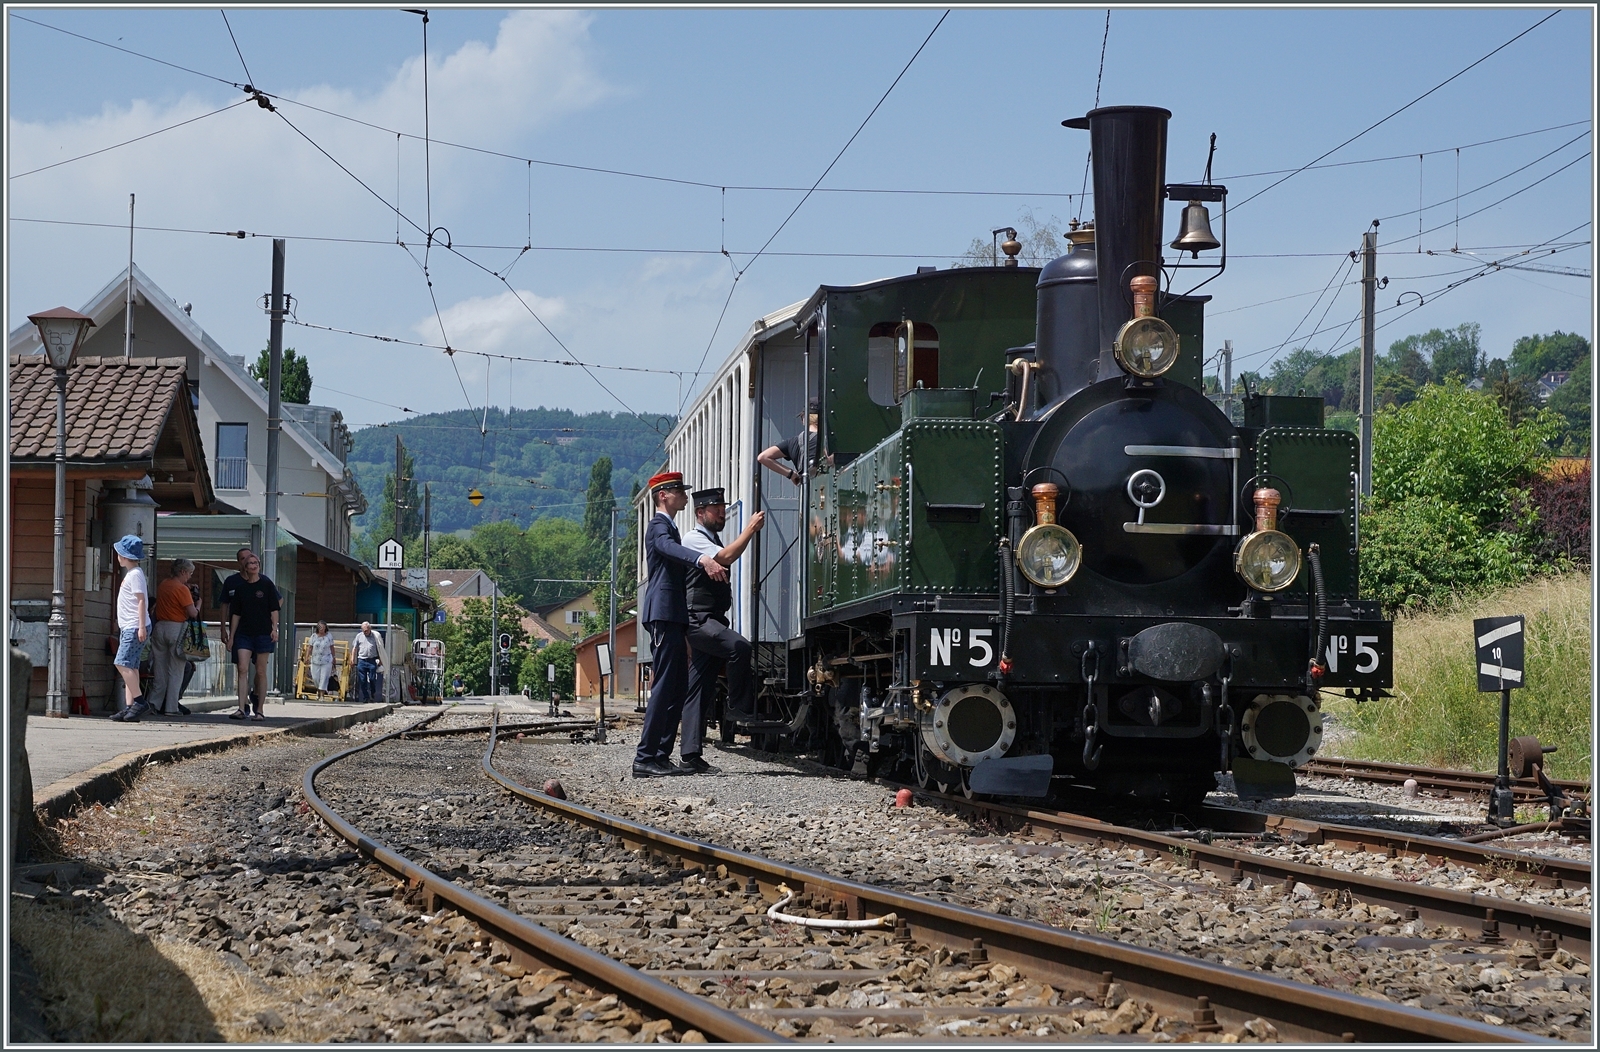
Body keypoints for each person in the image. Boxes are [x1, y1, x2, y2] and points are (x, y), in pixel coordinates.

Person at [633, 470, 728, 779]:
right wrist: (702, 559)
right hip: (662, 613)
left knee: (676, 687)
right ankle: (645, 757)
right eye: (679, 491)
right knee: (664, 687)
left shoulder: (670, 527)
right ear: (664, 495)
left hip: (673, 615)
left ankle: (660, 756)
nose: (685, 495)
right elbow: (667, 549)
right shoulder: (659, 527)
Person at [680, 488, 765, 773]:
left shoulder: (709, 538)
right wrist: (750, 529)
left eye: (722, 507)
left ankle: (690, 754)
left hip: (712, 619)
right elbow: (727, 557)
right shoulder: (694, 538)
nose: (720, 512)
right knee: (739, 647)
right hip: (699, 620)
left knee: (698, 689)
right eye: (715, 508)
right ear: (700, 513)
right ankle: (738, 705)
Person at [226, 551, 280, 721]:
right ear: (245, 567)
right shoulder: (240, 589)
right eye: (250, 563)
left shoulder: (266, 584)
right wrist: (231, 636)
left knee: (261, 670)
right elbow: (235, 614)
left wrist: (274, 628)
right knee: (242, 668)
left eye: (256, 562)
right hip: (244, 633)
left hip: (263, 633)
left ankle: (260, 710)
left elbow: (274, 608)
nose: (254, 565)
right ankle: (241, 708)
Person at [108, 535, 151, 722]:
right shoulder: (134, 574)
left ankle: (140, 702)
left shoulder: (135, 575)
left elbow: (141, 601)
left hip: (134, 626)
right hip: (130, 625)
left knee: (121, 663)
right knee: (131, 665)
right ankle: (130, 707)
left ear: (123, 556)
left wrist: (141, 626)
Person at [148, 558, 199, 716]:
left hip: (160, 628)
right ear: (183, 572)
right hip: (176, 629)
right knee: (176, 671)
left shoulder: (164, 584)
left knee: (160, 670)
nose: (189, 577)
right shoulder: (182, 589)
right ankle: (171, 708)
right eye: (189, 573)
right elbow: (192, 613)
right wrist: (199, 604)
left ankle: (153, 704)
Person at [217, 547, 258, 709]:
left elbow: (277, 601)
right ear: (239, 562)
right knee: (242, 667)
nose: (247, 561)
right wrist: (223, 629)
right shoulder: (232, 582)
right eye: (243, 559)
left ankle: (255, 693)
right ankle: (244, 703)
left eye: (250, 558)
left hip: (259, 630)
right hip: (239, 632)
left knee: (259, 669)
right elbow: (224, 605)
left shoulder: (262, 581)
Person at [757, 397, 820, 485]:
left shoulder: (794, 441)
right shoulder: (831, 442)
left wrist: (791, 474)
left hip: (807, 493)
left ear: (804, 418)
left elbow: (763, 457)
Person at [349, 622, 386, 702]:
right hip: (361, 660)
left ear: (370, 629)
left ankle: (373, 692)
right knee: (362, 680)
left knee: (372, 678)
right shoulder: (359, 636)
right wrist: (352, 659)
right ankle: (366, 697)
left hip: (371, 660)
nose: (365, 632)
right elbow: (354, 648)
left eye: (366, 630)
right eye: (363, 630)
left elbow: (379, 648)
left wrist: (380, 659)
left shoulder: (375, 636)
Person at [308, 621, 336, 699]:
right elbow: (310, 647)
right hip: (315, 660)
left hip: (326, 660)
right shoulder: (313, 636)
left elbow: (332, 647)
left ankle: (322, 695)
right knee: (315, 678)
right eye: (320, 628)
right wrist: (307, 657)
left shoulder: (329, 636)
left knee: (324, 678)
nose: (321, 629)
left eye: (323, 628)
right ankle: (318, 690)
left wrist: (334, 658)